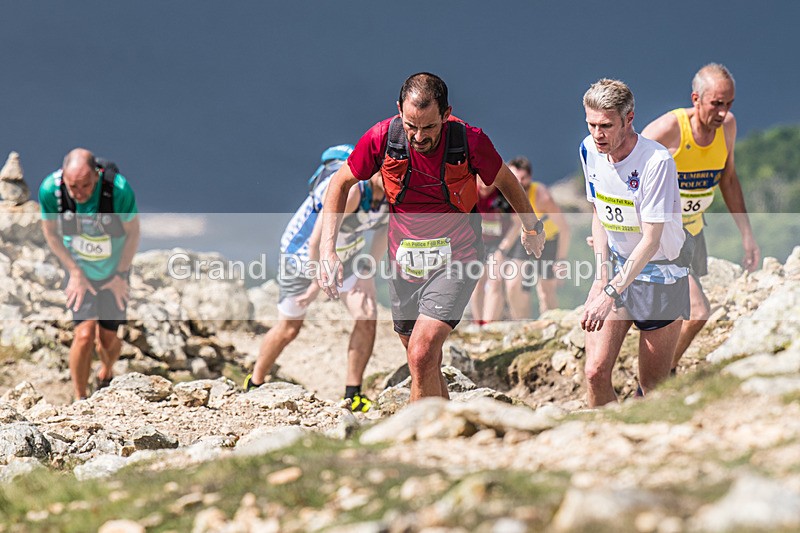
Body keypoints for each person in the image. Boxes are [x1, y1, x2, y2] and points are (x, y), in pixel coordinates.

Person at [318, 72, 546, 402]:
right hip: (404, 261)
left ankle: (415, 436)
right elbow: (339, 184)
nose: (419, 136)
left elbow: (507, 181)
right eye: (411, 125)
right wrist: (329, 250)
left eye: (429, 127)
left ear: (446, 113)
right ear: (399, 110)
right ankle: (445, 428)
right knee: (422, 356)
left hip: (458, 256)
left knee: (422, 352)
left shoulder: (470, 140)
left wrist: (531, 227)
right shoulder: (382, 137)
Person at [245, 145, 388, 412]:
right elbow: (315, 243)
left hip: (344, 254)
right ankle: (255, 382)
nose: (396, 178)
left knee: (366, 316)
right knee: (289, 328)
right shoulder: (353, 192)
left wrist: (367, 273)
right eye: (389, 170)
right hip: (302, 255)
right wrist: (316, 285)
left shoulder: (395, 195)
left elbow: (383, 231)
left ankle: (353, 394)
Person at [642, 63, 760, 373]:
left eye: (729, 104)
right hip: (664, 236)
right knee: (697, 311)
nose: (723, 112)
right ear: (696, 99)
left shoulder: (728, 127)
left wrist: (747, 235)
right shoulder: (668, 129)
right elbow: (627, 174)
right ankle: (656, 380)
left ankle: (659, 374)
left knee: (684, 313)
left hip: (693, 231)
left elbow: (729, 179)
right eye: (716, 104)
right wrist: (612, 225)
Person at [579, 79, 690, 408]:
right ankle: (604, 445)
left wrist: (609, 293)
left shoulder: (655, 162)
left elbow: (652, 240)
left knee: (652, 387)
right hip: (617, 269)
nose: (598, 134)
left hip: (659, 275)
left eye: (606, 126)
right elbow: (599, 212)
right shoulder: (588, 149)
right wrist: (601, 280)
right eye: (591, 124)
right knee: (595, 372)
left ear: (628, 119)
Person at [39, 148, 140, 401]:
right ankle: (80, 398)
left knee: (107, 339)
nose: (79, 193)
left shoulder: (118, 190)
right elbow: (51, 233)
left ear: (96, 176)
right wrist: (74, 272)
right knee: (84, 334)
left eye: (86, 186)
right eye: (73, 187)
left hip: (113, 270)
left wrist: (120, 276)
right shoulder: (51, 190)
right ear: (64, 178)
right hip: (78, 270)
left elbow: (133, 233)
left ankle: (106, 370)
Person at [503, 157, 572, 318]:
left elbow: (564, 228)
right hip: (525, 237)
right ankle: (521, 323)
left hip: (548, 240)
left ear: (529, 178)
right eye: (514, 178)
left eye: (523, 178)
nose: (519, 183)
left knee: (546, 289)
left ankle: (552, 324)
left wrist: (561, 260)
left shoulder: (542, 197)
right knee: (513, 285)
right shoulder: (506, 193)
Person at [471, 179, 516, 325]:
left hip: (499, 243)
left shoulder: (503, 194)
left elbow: (517, 222)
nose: (485, 185)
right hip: (477, 243)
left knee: (495, 280)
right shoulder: (469, 191)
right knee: (476, 282)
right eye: (482, 181)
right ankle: (479, 324)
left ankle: (489, 323)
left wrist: (503, 248)